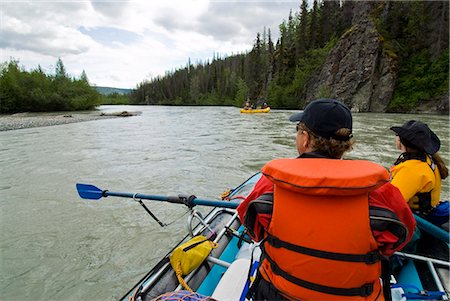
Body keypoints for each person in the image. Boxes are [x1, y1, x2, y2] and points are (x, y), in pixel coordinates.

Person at [237, 98, 416, 301]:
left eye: (298, 130)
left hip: (280, 295)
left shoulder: (271, 184)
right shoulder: (381, 192)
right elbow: (400, 239)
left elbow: (253, 229)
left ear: (305, 138)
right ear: (345, 145)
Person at [390, 120, 448, 216]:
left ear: (402, 141)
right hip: (430, 211)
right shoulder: (428, 159)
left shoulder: (412, 169)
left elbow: (391, 202)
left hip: (420, 219)